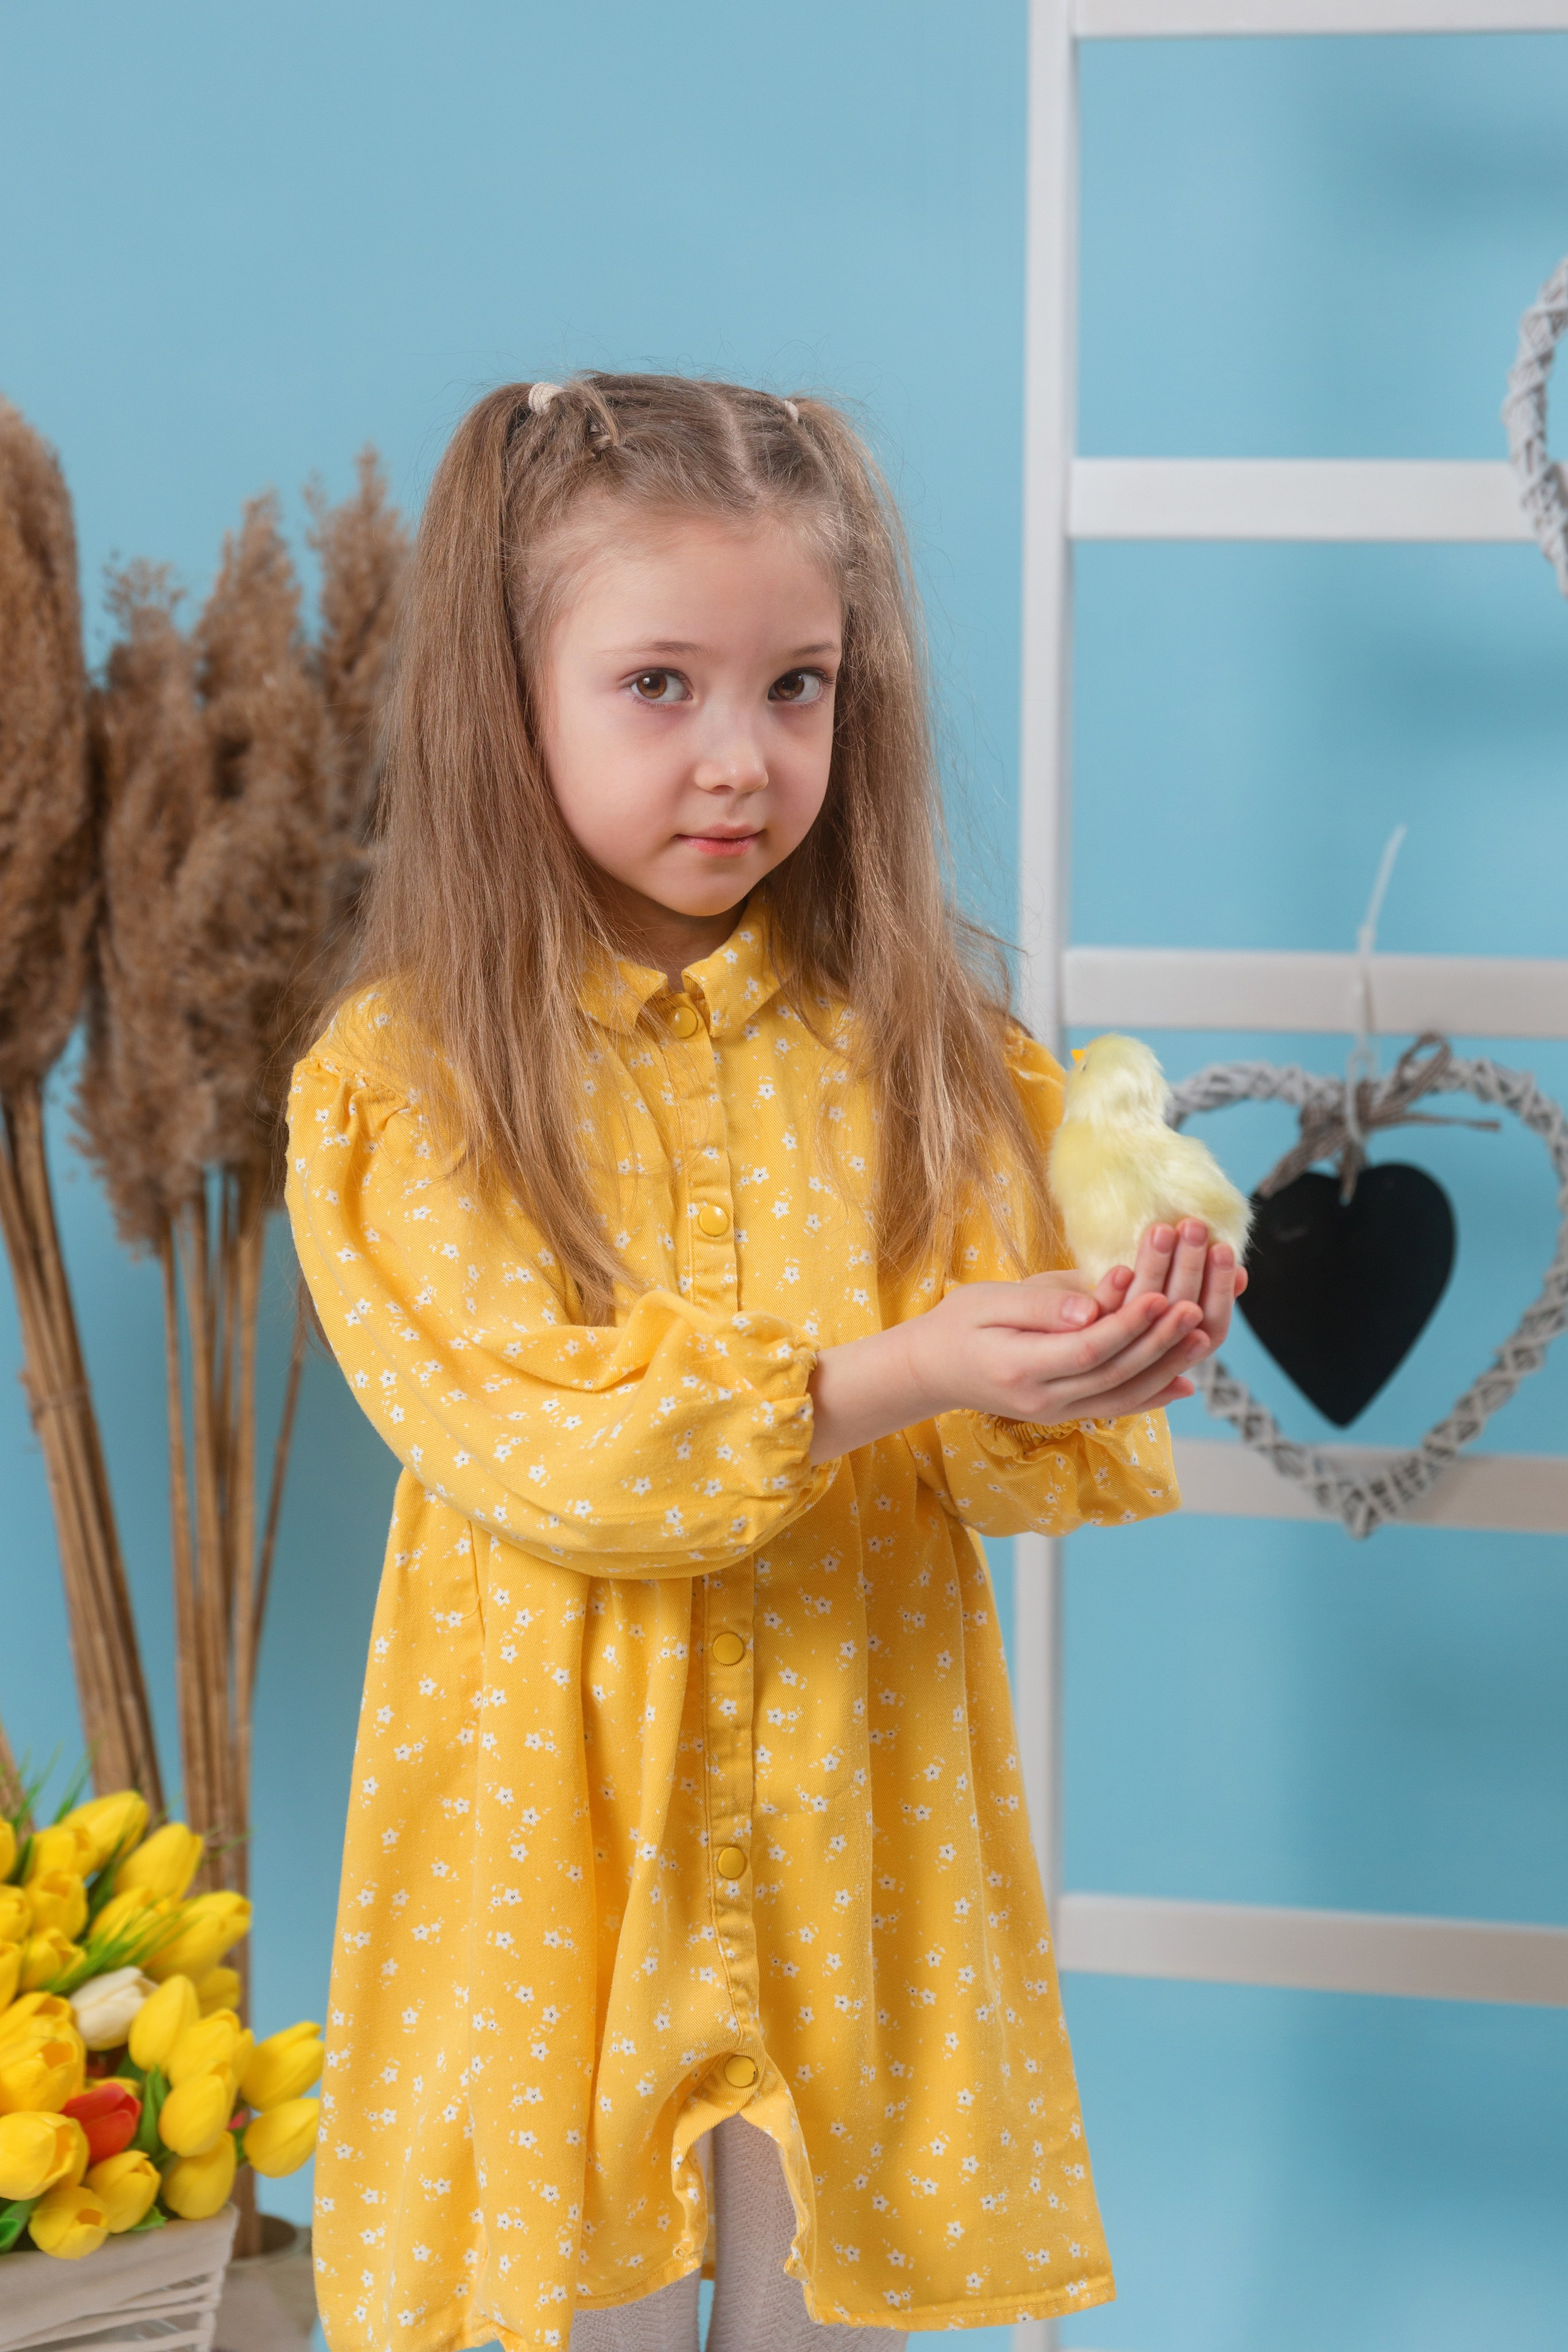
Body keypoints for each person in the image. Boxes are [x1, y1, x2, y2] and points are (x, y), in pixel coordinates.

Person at [287, 374, 1244, 2352]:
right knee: (578, 2312)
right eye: (662, 686)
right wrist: (895, 1372)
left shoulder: (933, 1061)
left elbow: (997, 1434)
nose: (741, 759)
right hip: (551, 1830)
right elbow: (545, 1443)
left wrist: (1097, 1342)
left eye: (797, 687)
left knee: (833, 2312)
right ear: (510, 695)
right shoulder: (408, 1089)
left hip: (854, 1795)